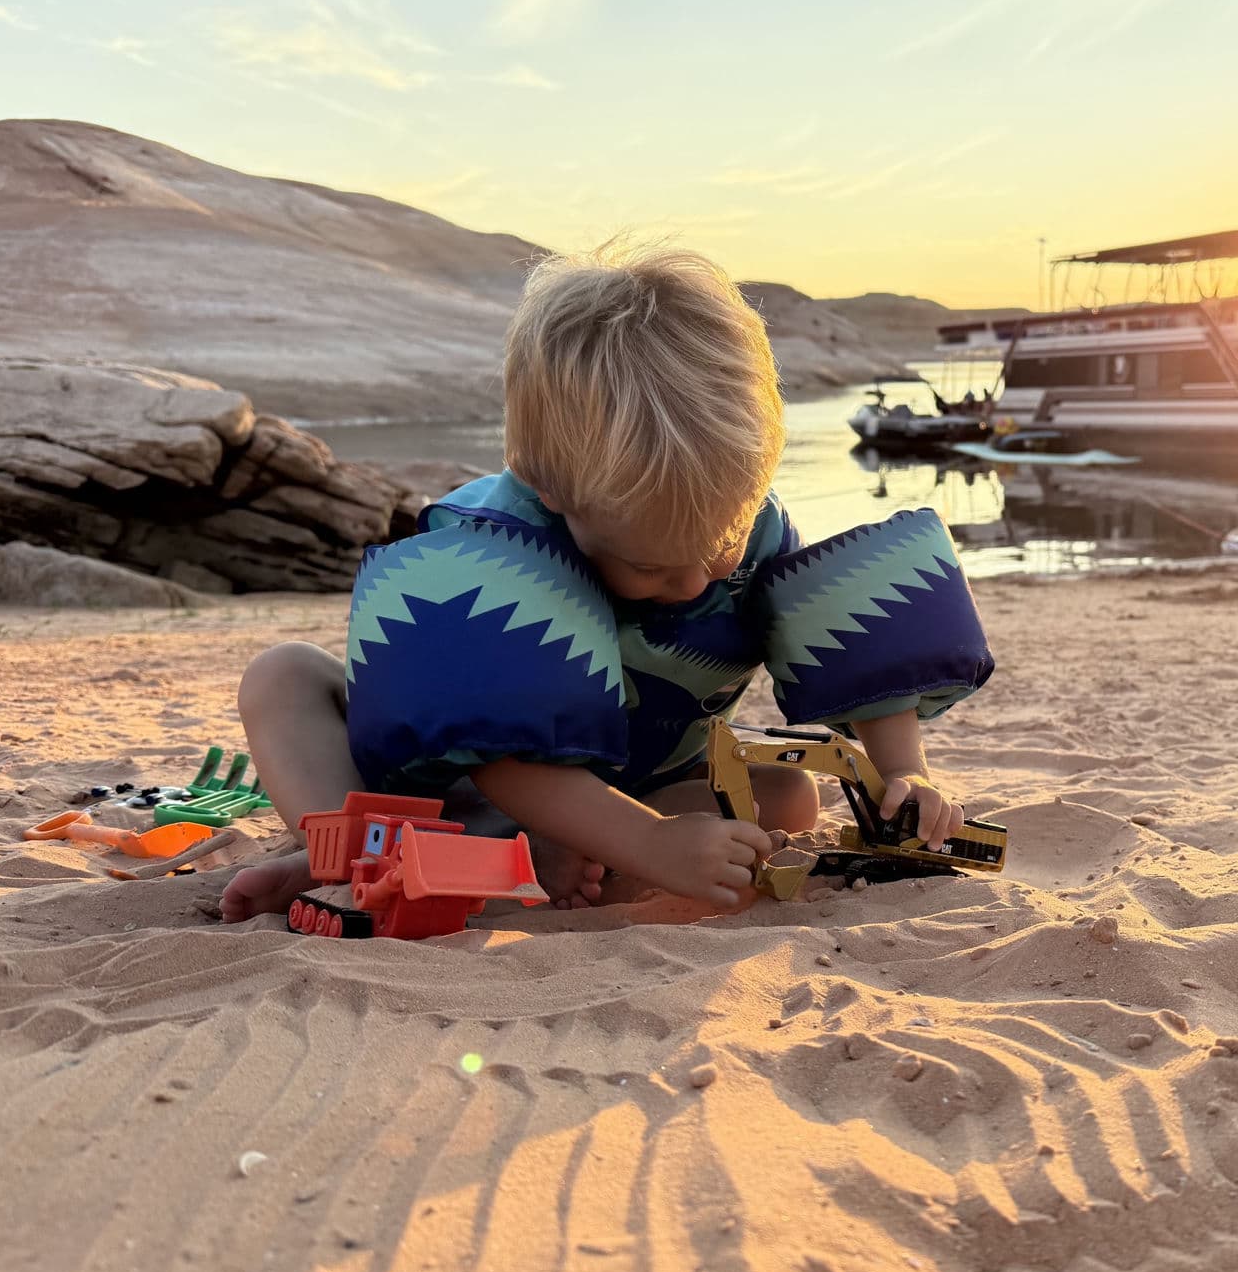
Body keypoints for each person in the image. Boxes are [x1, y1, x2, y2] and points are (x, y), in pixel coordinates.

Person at [221, 243, 992, 921]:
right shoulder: (491, 548)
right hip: (452, 784)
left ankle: (515, 858)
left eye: (717, 550)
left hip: (630, 785)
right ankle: (359, 852)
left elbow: (858, 660)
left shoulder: (747, 521)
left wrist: (905, 775)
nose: (693, 585)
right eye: (650, 565)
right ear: (550, 490)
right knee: (284, 675)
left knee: (791, 797)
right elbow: (499, 750)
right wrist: (650, 845)